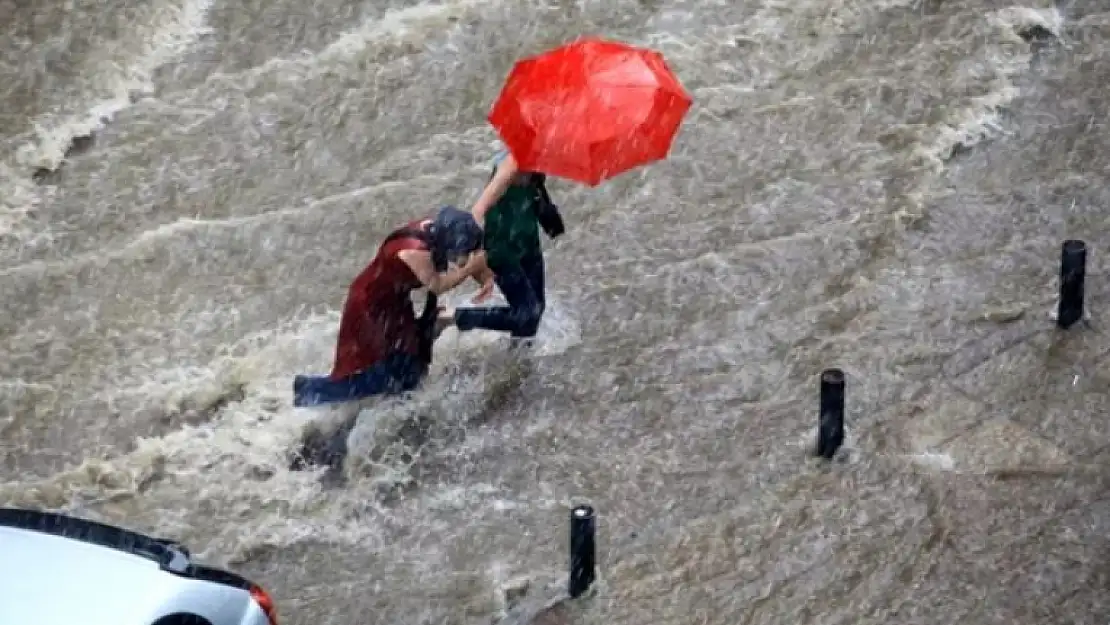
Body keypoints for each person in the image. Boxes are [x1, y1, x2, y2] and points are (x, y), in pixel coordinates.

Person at [293, 205, 485, 407]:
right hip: (370, 306)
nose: (462, 257)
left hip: (393, 300)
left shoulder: (435, 230)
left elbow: (466, 259)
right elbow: (438, 285)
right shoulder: (415, 251)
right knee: (378, 368)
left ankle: (401, 397)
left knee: (408, 356)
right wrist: (471, 268)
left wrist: (483, 275)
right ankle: (309, 391)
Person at [440, 148, 565, 345]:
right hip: (501, 251)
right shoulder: (509, 167)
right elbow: (478, 210)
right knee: (527, 313)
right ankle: (452, 317)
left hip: (528, 244)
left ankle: (520, 361)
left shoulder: (537, 162)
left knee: (535, 311)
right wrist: (467, 255)